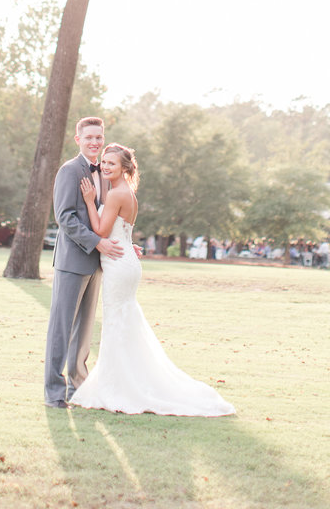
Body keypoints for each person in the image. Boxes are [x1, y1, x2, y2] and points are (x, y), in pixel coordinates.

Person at [69, 143, 235, 417]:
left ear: (124, 168)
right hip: (125, 262)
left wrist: (88, 200)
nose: (106, 166)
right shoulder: (128, 193)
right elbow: (122, 233)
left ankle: (121, 387)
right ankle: (124, 380)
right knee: (124, 323)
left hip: (119, 266)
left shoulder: (115, 195)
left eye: (112, 163)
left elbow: (100, 230)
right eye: (105, 162)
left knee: (116, 323)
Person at [44, 117, 124, 409]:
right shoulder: (69, 170)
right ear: (78, 139)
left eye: (99, 137)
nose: (95, 142)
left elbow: (103, 218)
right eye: (89, 137)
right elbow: (64, 217)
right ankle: (53, 392)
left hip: (97, 263)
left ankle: (77, 387)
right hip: (72, 261)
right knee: (61, 329)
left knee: (84, 331)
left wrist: (124, 242)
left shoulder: (104, 173)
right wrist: (95, 242)